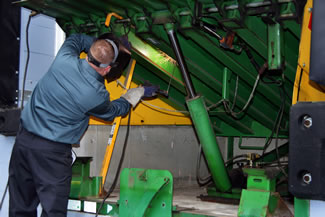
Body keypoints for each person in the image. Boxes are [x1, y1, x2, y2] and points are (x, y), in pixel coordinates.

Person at [8, 33, 157, 217]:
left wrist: (104, 45)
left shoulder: (63, 58)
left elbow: (76, 39)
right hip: (51, 155)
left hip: (23, 143)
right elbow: (113, 111)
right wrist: (138, 92)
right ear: (107, 69)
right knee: (53, 211)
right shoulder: (95, 94)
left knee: (20, 207)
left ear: (88, 54)